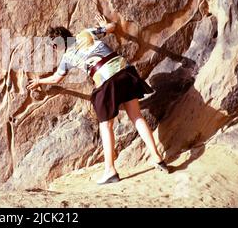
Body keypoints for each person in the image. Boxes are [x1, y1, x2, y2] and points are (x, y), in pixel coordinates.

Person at [27, 14, 168, 184]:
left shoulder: (67, 58)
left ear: (58, 43)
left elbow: (57, 78)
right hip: (125, 71)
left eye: (54, 46)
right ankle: (157, 157)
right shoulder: (86, 33)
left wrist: (39, 81)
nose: (54, 49)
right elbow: (112, 27)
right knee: (136, 116)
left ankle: (110, 170)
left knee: (105, 125)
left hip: (106, 80)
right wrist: (105, 25)